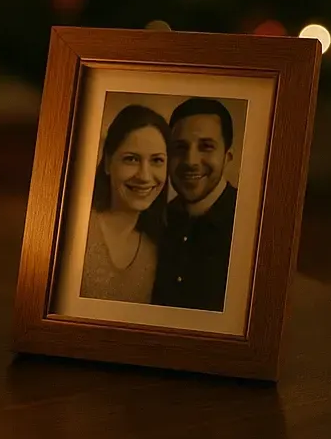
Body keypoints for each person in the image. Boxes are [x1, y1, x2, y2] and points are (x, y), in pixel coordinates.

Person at [152, 97, 237, 312]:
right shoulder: (154, 220)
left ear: (227, 157)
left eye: (206, 147)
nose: (190, 160)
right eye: (180, 147)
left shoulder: (254, 222)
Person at [80, 104, 169, 304]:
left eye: (157, 160)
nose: (145, 176)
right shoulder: (77, 228)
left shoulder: (155, 248)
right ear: (108, 162)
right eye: (131, 159)